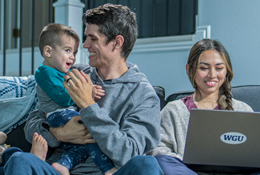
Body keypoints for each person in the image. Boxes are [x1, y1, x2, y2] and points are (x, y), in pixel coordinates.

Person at [25, 3, 163, 175]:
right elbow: (31, 124)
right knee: (19, 159)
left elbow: (130, 154)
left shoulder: (143, 95)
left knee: (146, 165)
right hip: (59, 170)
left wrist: (88, 105)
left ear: (117, 42)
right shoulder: (75, 73)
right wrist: (58, 134)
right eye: (86, 37)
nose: (84, 45)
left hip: (107, 172)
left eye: (93, 38)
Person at [149, 39, 260, 175]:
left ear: (226, 70)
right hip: (190, 172)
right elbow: (157, 150)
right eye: (204, 68)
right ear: (190, 69)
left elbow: (258, 154)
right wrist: (185, 160)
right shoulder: (174, 110)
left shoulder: (243, 109)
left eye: (219, 68)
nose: (212, 75)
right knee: (162, 161)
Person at [35, 23, 116, 175]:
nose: (72, 57)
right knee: (92, 128)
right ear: (48, 51)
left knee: (82, 145)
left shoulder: (65, 71)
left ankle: (63, 165)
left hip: (65, 114)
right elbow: (63, 99)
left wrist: (89, 86)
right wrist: (87, 93)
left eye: (74, 52)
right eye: (67, 50)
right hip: (58, 114)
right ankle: (107, 168)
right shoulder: (45, 73)